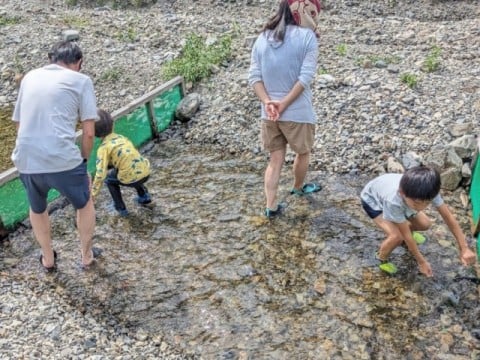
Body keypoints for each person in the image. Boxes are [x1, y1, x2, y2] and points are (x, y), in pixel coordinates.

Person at [11, 40, 98, 271]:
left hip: (26, 159)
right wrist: (84, 162)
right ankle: (86, 256)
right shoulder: (81, 80)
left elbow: (19, 125)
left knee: (37, 208)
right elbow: (89, 133)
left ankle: (48, 259)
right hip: (62, 159)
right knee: (84, 202)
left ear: (52, 60)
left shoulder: (29, 77)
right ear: (78, 62)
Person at [248, 0, 322, 218]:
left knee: (275, 159)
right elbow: (306, 77)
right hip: (298, 112)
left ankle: (271, 207)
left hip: (269, 114)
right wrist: (284, 103)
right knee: (303, 152)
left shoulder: (262, 37)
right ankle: (298, 188)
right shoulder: (307, 36)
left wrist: (268, 102)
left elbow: (254, 76)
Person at [360, 166, 476, 277]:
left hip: (400, 197)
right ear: (402, 193)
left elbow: (448, 217)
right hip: (372, 200)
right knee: (397, 237)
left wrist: (464, 247)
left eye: (427, 203)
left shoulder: (428, 191)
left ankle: (410, 227)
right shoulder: (393, 201)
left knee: (425, 224)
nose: (421, 207)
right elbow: (406, 235)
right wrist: (421, 262)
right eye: (416, 203)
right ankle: (381, 258)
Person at [91, 109, 151, 217]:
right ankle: (144, 196)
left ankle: (121, 208)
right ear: (113, 125)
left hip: (131, 178)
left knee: (109, 180)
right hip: (146, 171)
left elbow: (100, 174)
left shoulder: (103, 148)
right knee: (132, 167)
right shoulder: (121, 137)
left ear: (95, 134)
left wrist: (93, 194)